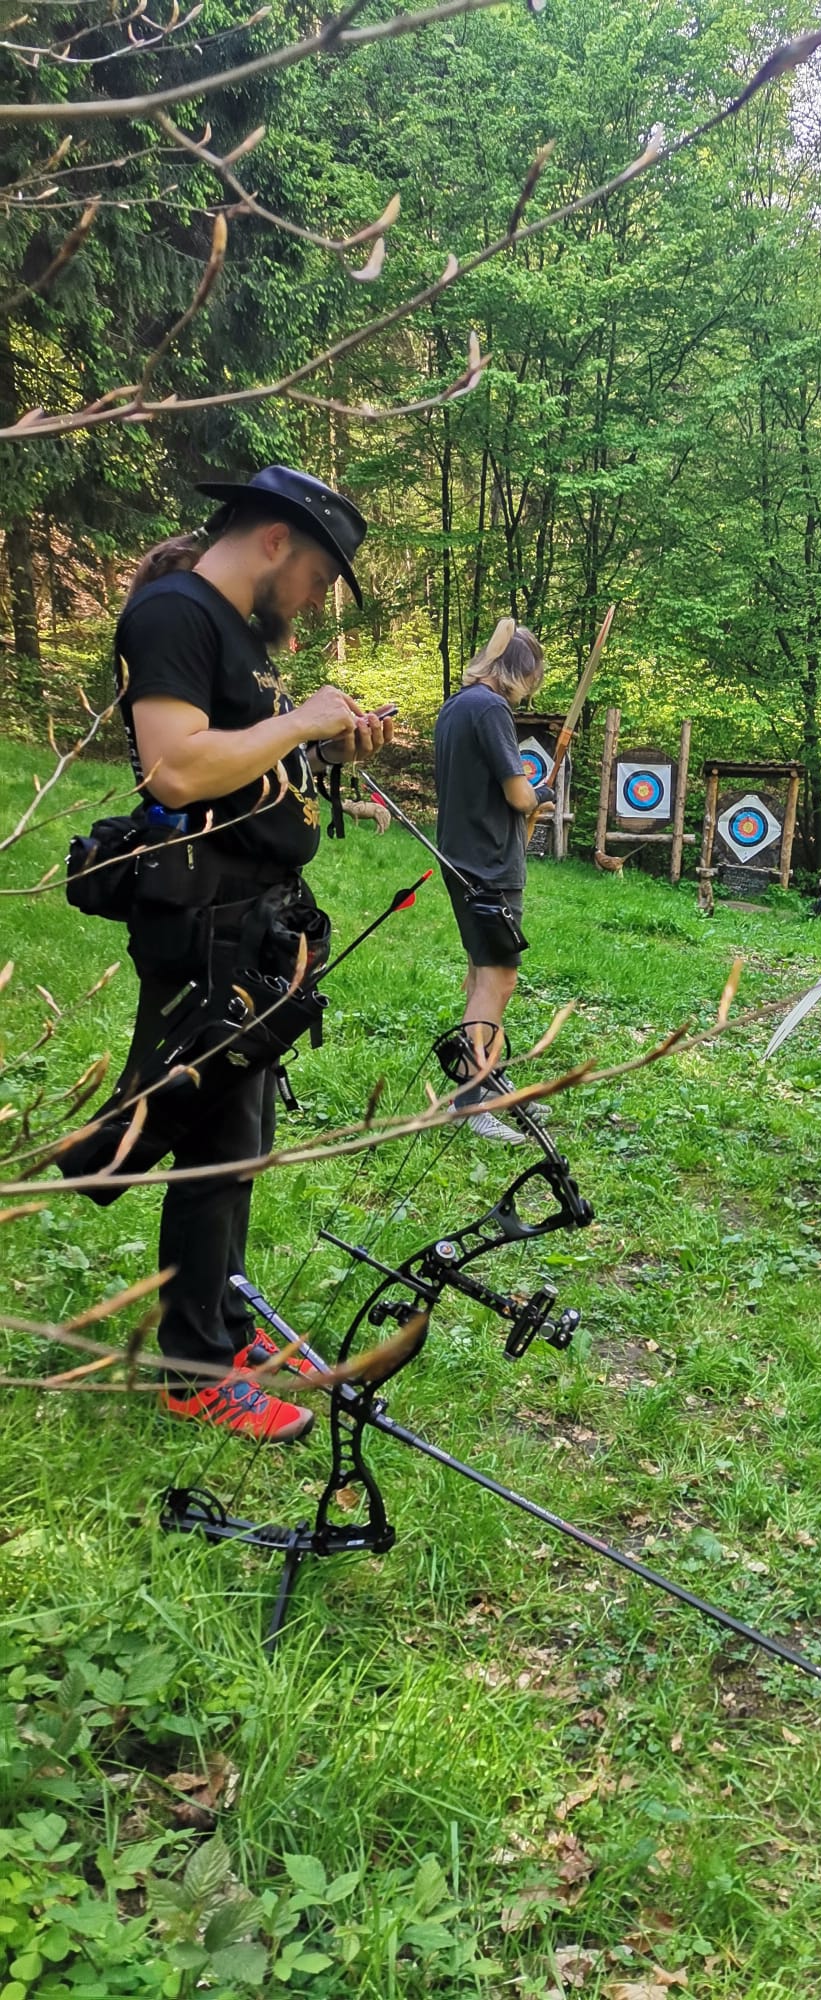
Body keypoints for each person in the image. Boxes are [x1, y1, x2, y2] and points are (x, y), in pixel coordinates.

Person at [114, 465, 395, 1441]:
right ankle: (196, 1369)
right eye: (318, 576)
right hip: (202, 919)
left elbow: (250, 762)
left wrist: (327, 748)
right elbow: (175, 767)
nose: (314, 600)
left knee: (240, 1142)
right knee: (211, 1145)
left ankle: (225, 1330)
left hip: (256, 921)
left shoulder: (238, 634)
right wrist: (304, 717)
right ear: (275, 540)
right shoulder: (175, 614)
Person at [432, 616, 554, 1142]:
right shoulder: (491, 708)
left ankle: (486, 1084)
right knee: (497, 980)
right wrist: (540, 795)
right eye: (532, 678)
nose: (529, 691)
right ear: (520, 672)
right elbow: (517, 793)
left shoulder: (457, 705)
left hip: (464, 859)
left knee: (483, 975)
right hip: (488, 865)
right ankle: (469, 1103)